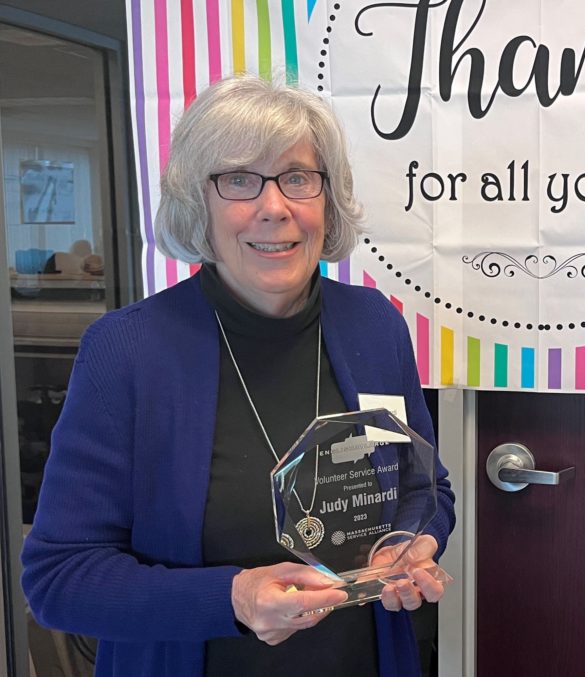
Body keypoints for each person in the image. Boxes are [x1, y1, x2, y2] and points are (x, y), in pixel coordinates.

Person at [21, 74, 455, 677]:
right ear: (197, 202)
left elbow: (425, 490)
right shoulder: (126, 352)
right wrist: (232, 599)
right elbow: (59, 579)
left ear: (327, 198)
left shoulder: (374, 325)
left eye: (297, 178)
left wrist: (412, 543)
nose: (274, 207)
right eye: (239, 180)